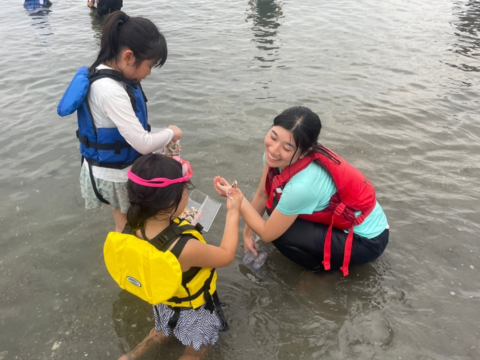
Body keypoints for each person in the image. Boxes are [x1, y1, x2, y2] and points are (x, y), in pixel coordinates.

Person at [213, 106, 389, 276]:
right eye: (273, 137)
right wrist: (247, 233)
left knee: (280, 233)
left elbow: (267, 233)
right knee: (273, 205)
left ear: (305, 152)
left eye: (287, 148)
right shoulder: (274, 158)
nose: (273, 150)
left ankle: (321, 272)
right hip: (348, 222)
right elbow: (263, 193)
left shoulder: (303, 185)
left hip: (367, 241)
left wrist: (237, 198)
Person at [105, 154, 242, 360]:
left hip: (163, 303)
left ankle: (131, 357)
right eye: (185, 191)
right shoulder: (185, 248)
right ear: (169, 203)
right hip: (194, 310)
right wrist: (234, 211)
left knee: (162, 330)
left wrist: (180, 220)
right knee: (197, 350)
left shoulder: (132, 226)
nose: (187, 196)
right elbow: (226, 255)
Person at [57, 12, 182, 232]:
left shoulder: (109, 76)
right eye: (150, 66)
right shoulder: (110, 90)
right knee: (133, 228)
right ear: (128, 57)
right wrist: (171, 132)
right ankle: (129, 261)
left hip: (106, 169)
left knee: (123, 224)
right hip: (113, 176)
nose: (149, 73)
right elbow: (142, 143)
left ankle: (122, 258)